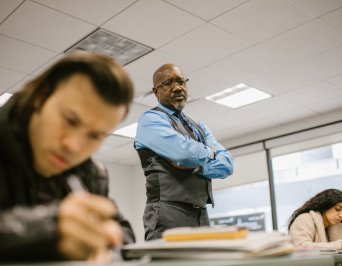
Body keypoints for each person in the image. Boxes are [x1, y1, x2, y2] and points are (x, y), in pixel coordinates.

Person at [0, 52, 135, 262]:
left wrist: (106, 241)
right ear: (41, 97)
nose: (73, 146)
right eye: (70, 120)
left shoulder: (91, 174)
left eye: (94, 136)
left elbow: (123, 231)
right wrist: (46, 232)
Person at [135, 63, 234, 241]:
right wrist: (211, 152)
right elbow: (185, 155)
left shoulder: (199, 127)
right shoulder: (151, 119)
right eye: (168, 83)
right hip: (168, 212)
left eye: (181, 82)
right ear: (156, 91)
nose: (177, 87)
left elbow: (227, 164)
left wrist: (198, 168)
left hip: (201, 214)